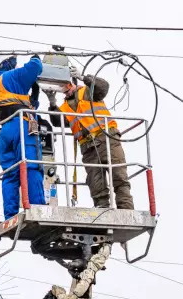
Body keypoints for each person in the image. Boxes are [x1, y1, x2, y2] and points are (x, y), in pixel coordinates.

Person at [47, 75, 134, 210]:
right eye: (63, 89)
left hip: (108, 140)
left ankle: (127, 211)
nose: (66, 90)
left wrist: (83, 76)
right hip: (89, 148)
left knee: (119, 178)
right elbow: (57, 121)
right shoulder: (64, 107)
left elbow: (103, 86)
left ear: (73, 83)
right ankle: (103, 212)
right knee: (96, 184)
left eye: (68, 86)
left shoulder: (88, 91)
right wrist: (52, 104)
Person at [0, 54, 45, 219]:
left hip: (6, 131)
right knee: (32, 166)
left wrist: (34, 93)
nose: (16, 63)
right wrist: (35, 58)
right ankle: (38, 209)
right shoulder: (10, 76)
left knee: (10, 173)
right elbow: (34, 67)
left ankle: (10, 215)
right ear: (6, 63)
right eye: (13, 60)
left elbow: (25, 103)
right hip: (22, 126)